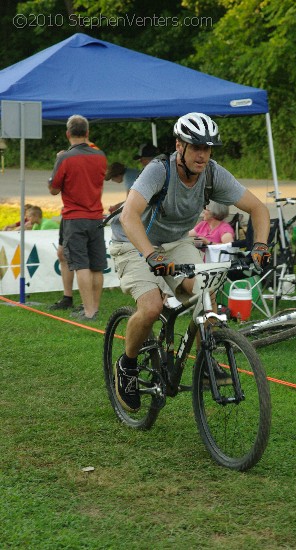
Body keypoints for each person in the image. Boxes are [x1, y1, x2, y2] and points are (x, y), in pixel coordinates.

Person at [109, 112, 271, 413]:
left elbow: (258, 209)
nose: (202, 155)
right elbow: (128, 216)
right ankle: (127, 366)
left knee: (204, 293)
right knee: (152, 307)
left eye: (208, 148)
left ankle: (208, 364)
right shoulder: (159, 171)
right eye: (196, 147)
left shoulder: (212, 174)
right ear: (179, 146)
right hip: (133, 242)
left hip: (176, 242)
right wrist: (151, 255)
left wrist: (260, 245)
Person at [48, 114, 107, 321]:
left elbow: (53, 189)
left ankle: (89, 311)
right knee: (97, 265)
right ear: (87, 133)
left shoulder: (65, 158)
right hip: (97, 217)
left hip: (75, 217)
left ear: (68, 133)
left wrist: (58, 160)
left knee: (81, 264)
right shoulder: (100, 156)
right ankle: (95, 308)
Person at [106, 143, 158, 213]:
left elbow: (129, 203)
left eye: (141, 159)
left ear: (117, 175)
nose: (140, 161)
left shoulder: (128, 178)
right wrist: (117, 206)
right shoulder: (131, 172)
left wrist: (116, 209)